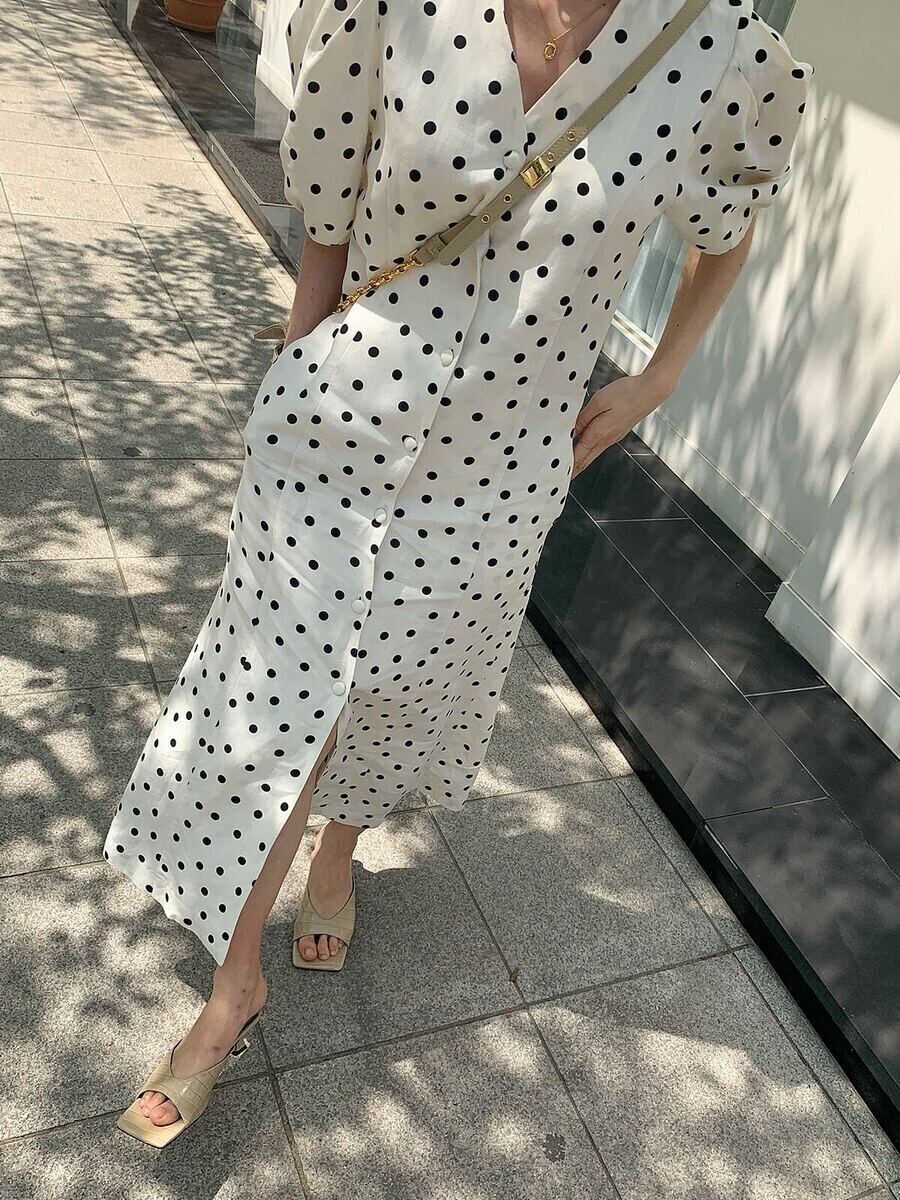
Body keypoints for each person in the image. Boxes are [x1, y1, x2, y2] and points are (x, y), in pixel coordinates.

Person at [106, 0, 813, 1144]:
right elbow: (330, 205)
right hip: (337, 424)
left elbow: (728, 222)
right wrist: (294, 369)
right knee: (278, 701)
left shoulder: (718, 48)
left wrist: (661, 375)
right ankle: (236, 987)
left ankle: (339, 856)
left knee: (406, 689)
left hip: (500, 470)